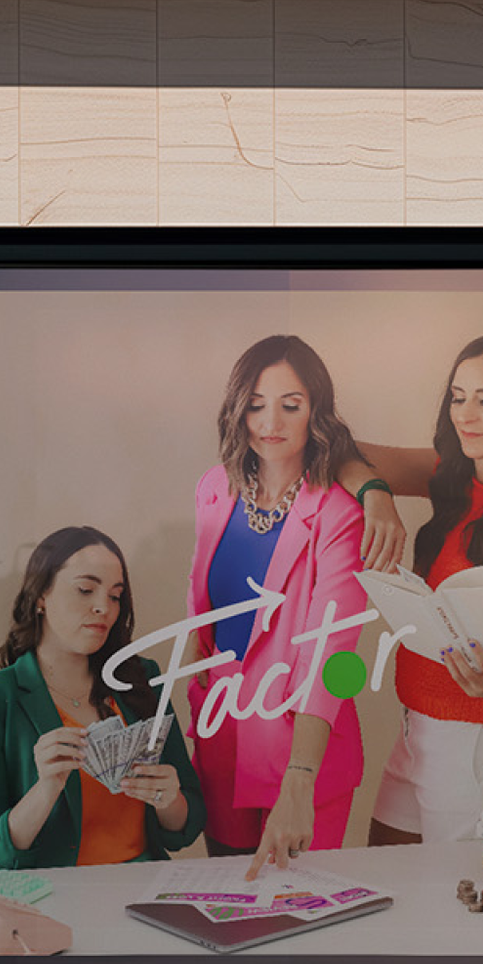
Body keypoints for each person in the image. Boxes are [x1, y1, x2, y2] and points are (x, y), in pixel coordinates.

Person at [349, 332, 483, 844]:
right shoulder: (453, 476)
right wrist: (376, 496)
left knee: (461, 910)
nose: (464, 416)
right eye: (457, 397)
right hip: (421, 728)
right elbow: (339, 452)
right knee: (391, 880)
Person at [187, 335, 371, 878]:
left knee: (298, 918)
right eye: (256, 404)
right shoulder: (212, 490)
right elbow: (207, 619)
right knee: (230, 906)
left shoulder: (339, 514)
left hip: (303, 749)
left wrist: (300, 779)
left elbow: (333, 657)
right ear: (237, 407)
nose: (271, 421)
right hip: (222, 736)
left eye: (291, 405)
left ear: (316, 412)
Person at [0, 526, 205, 873]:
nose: (102, 608)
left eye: (114, 596)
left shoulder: (144, 681)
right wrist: (45, 789)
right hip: (50, 903)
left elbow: (185, 829)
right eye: (85, 589)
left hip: (144, 891)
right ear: (40, 596)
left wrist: (169, 799)